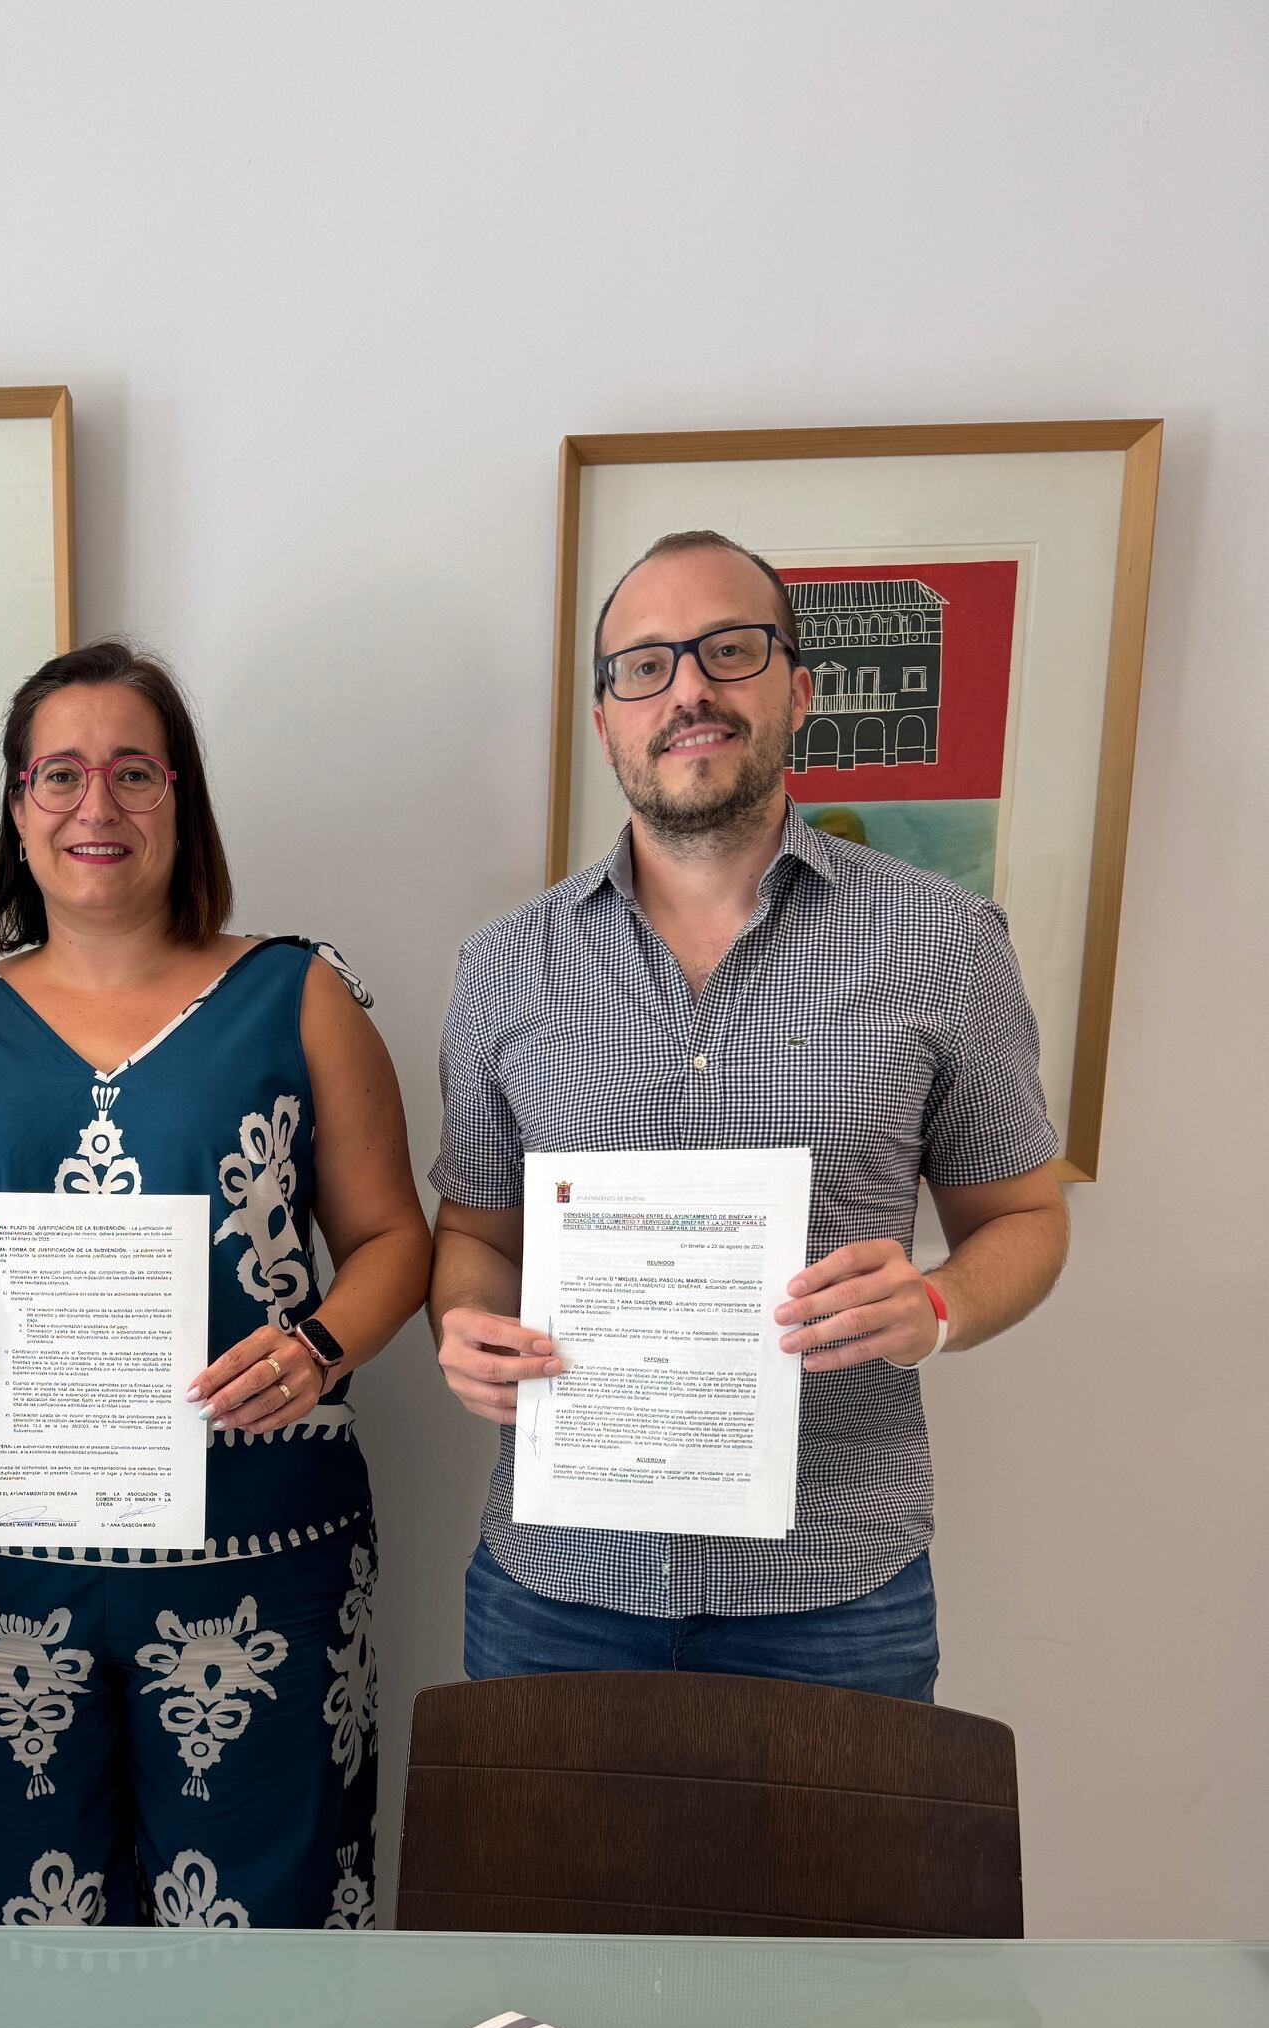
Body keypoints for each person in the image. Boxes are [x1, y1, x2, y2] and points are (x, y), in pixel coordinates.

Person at [0, 640, 431, 1926]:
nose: (94, 807)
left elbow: (395, 1243)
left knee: (264, 1934)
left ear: (182, 797)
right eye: (59, 775)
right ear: (15, 804)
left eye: (132, 773)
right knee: (8, 1927)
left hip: (259, 1558)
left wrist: (321, 1342)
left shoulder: (298, 992)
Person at [430, 529, 1069, 1700]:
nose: (689, 691)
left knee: (839, 1897)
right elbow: (475, 1234)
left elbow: (1025, 1214)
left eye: (730, 651)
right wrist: (465, 1324)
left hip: (836, 1593)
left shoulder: (945, 943)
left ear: (798, 689)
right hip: (558, 1586)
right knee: (545, 1895)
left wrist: (938, 1305)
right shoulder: (503, 969)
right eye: (646, 666)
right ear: (605, 719)